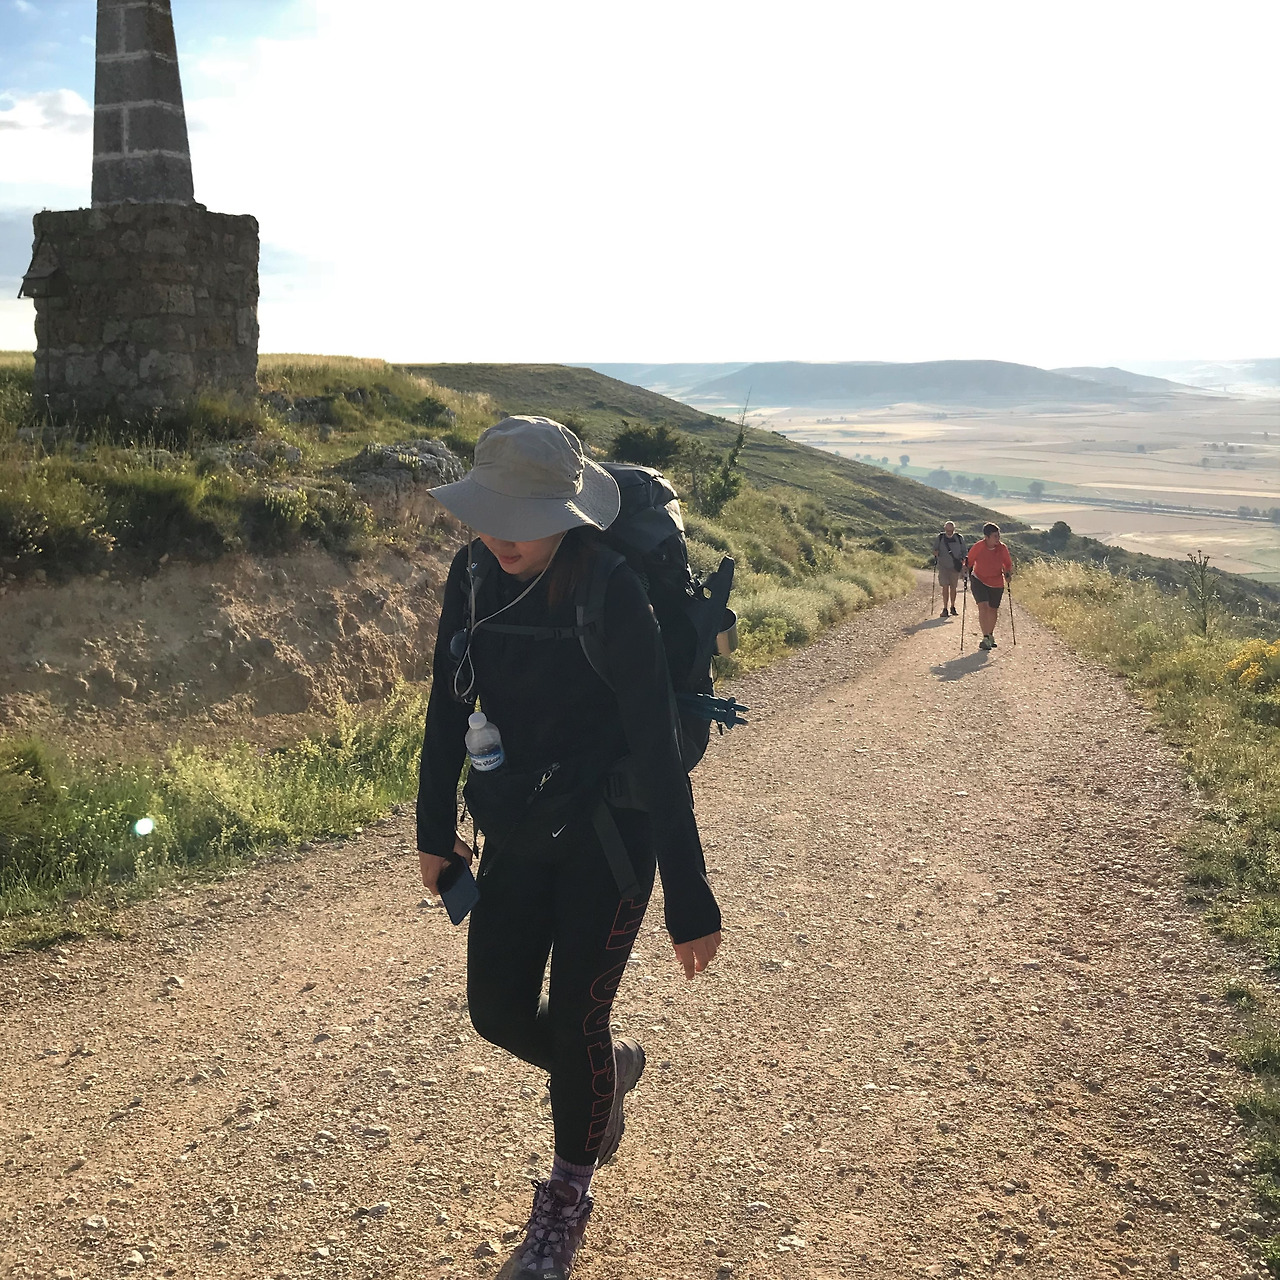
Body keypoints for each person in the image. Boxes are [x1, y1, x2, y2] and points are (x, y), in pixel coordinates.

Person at [416, 416, 723, 1279]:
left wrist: (689, 894)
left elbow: (656, 747)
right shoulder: (473, 574)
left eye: (524, 518)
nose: (502, 535)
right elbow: (447, 704)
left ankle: (563, 1205)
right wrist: (433, 832)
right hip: (517, 824)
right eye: (490, 514)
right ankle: (606, 1072)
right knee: (496, 1011)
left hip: (610, 837)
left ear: (568, 514)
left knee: (579, 1013)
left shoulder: (609, 586)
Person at [964, 522, 1014, 651]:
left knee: (993, 609)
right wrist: (965, 569)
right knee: (983, 607)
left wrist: (1008, 573)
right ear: (986, 537)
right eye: (995, 536)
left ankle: (990, 635)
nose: (998, 538)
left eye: (998, 535)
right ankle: (985, 637)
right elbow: (969, 561)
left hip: (996, 582)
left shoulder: (1002, 548)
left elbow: (1007, 564)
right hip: (978, 579)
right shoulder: (978, 547)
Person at [932, 521, 967, 618]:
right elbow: (934, 550)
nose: (949, 532)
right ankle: (945, 608)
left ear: (954, 530)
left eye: (951, 530)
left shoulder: (959, 538)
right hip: (943, 567)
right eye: (947, 530)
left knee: (953, 588)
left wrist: (963, 561)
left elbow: (964, 552)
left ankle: (952, 606)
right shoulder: (940, 538)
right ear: (945, 529)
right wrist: (936, 553)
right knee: (945, 586)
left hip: (955, 567)